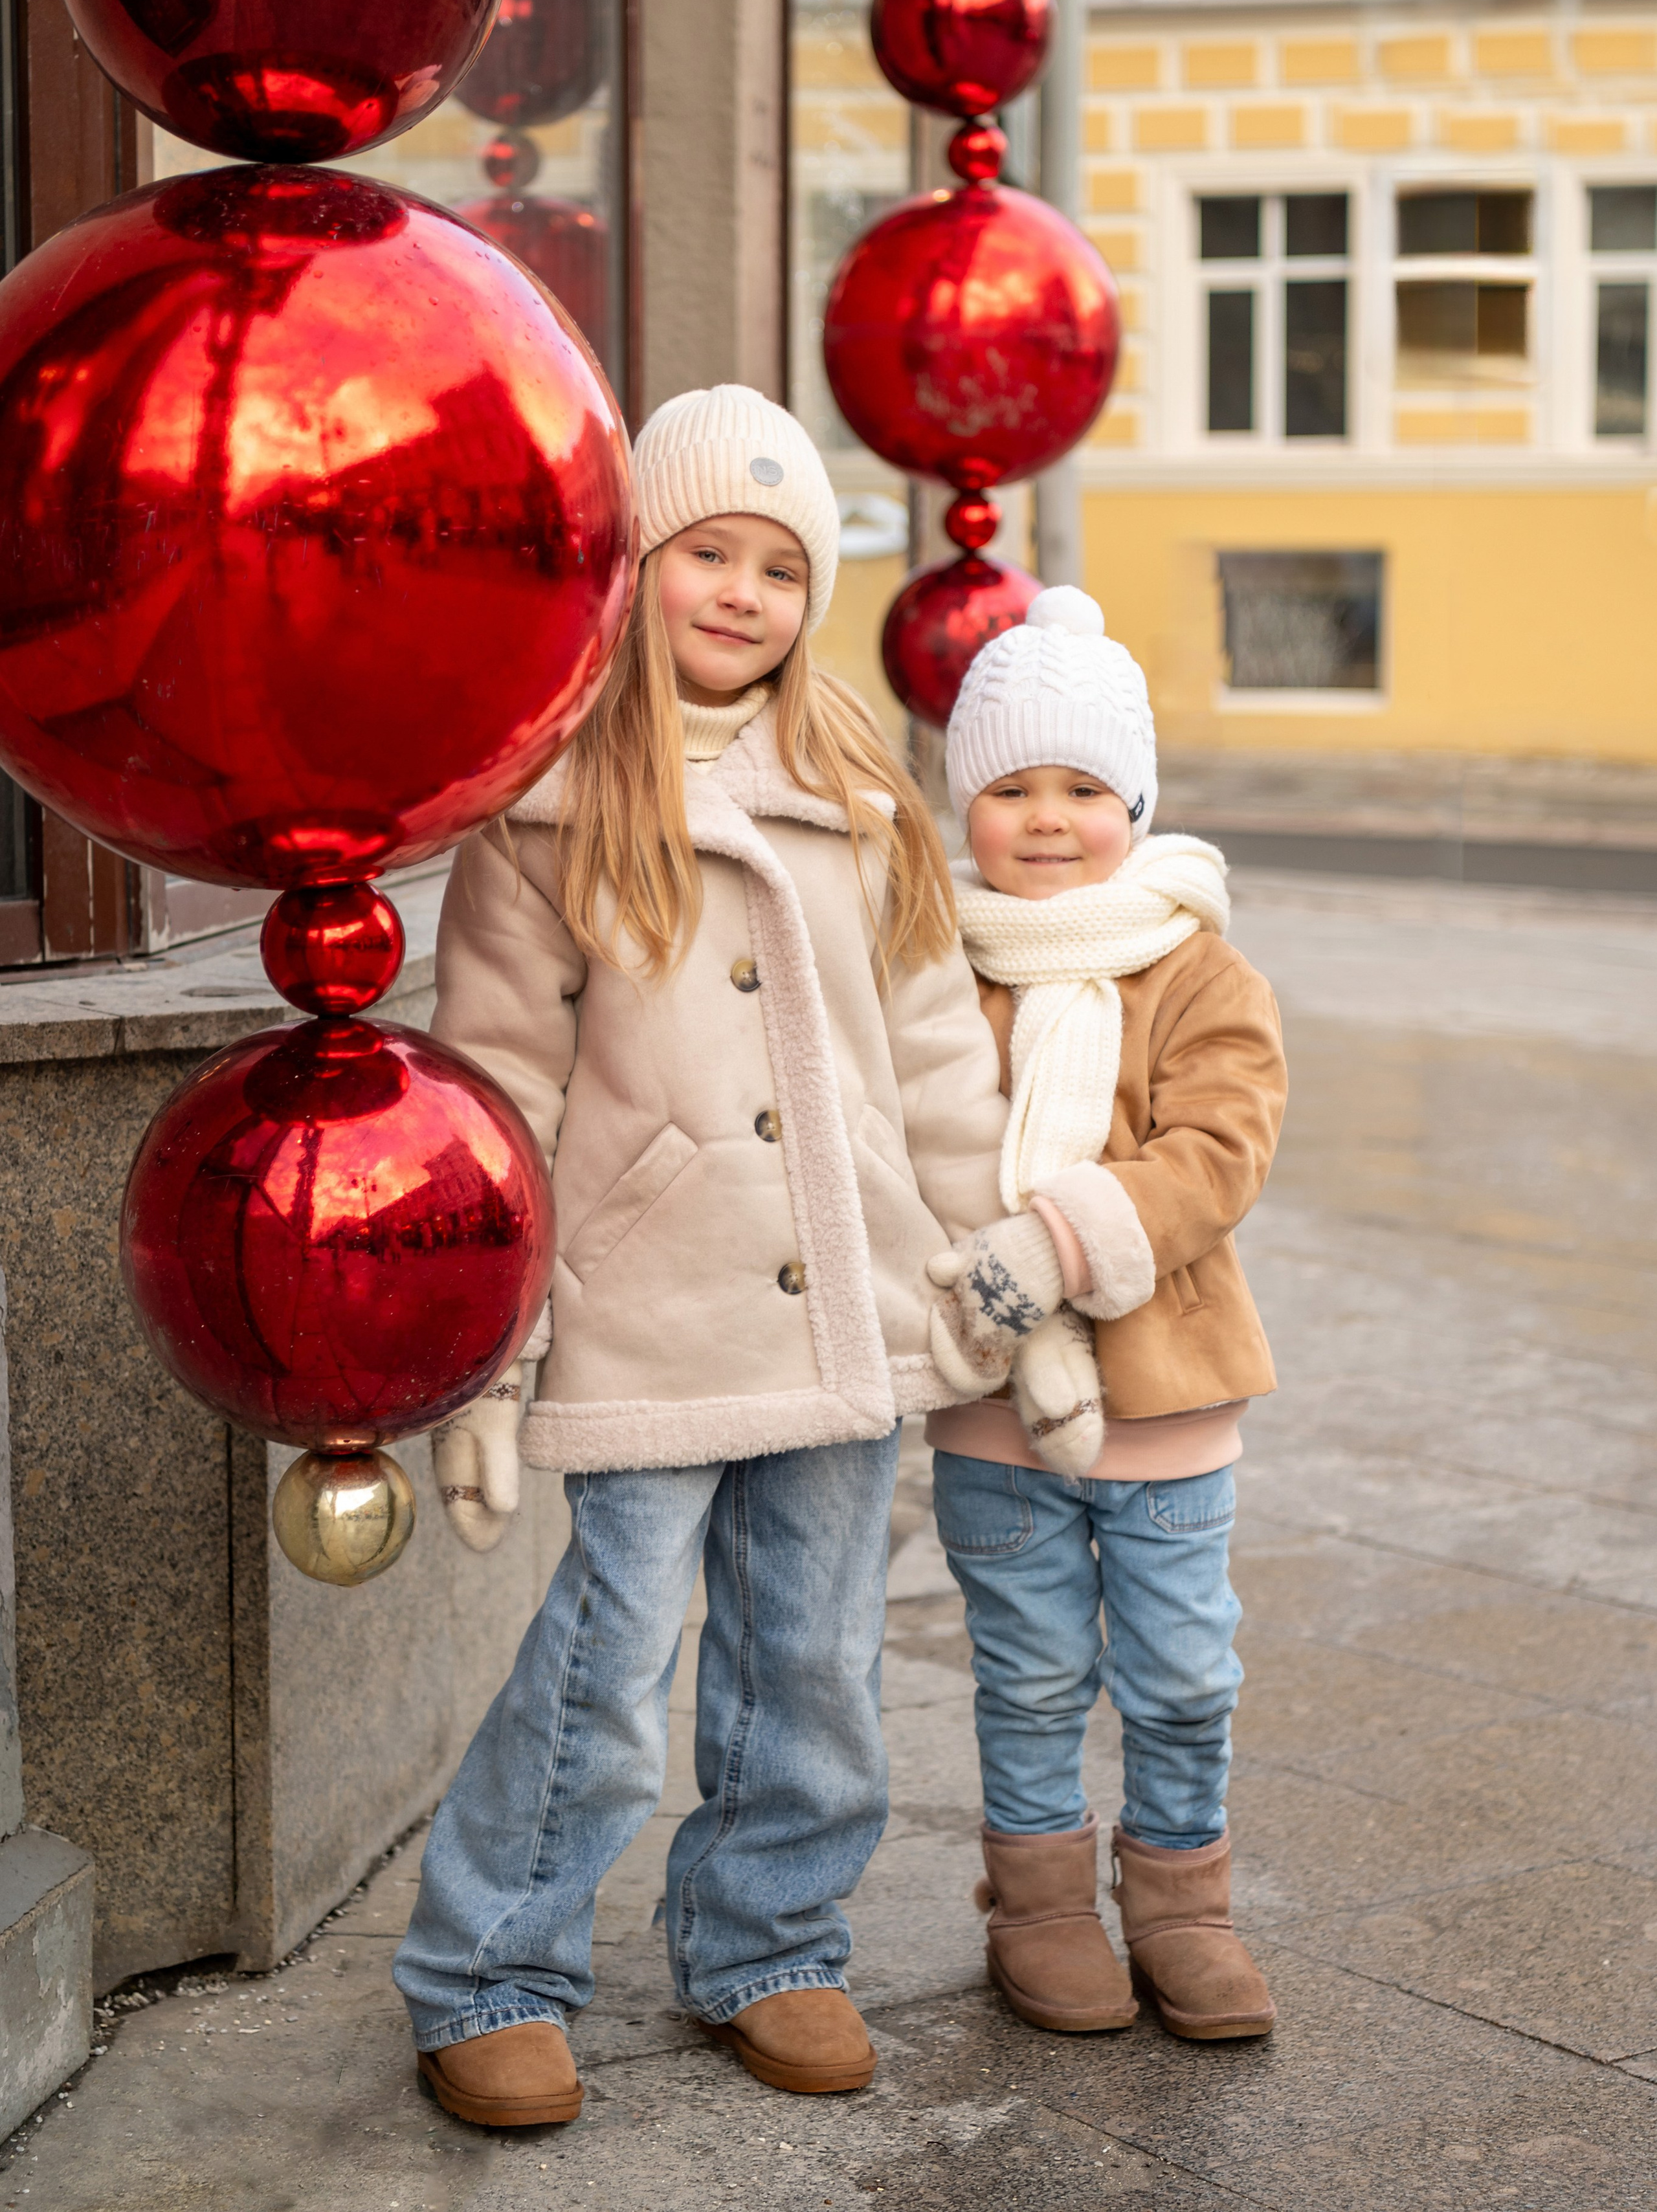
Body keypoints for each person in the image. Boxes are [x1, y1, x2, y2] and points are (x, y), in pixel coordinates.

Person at [392, 384, 1006, 2127]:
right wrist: (488, 1364)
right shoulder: (549, 811)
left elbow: (941, 1050)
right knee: (606, 1660)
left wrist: (982, 1268)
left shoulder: (863, 800)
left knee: (811, 1658)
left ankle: (771, 1941)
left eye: (778, 567)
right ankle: (492, 1966)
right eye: (701, 553)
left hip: (841, 1312)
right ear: (631, 568)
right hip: (638, 1315)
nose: (739, 592)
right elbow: (497, 1088)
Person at [924, 584, 1286, 2044]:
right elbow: (915, 1129)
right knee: (1024, 1671)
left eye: (1081, 786)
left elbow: (1220, 1149)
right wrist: (974, 1261)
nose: (1048, 817)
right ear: (969, 805)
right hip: (996, 1400)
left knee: (1182, 1670)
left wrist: (1057, 1244)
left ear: (1133, 800)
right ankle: (1041, 1903)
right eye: (1011, 787)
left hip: (1169, 1398)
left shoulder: (1193, 964)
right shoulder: (940, 964)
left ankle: (1183, 1903)